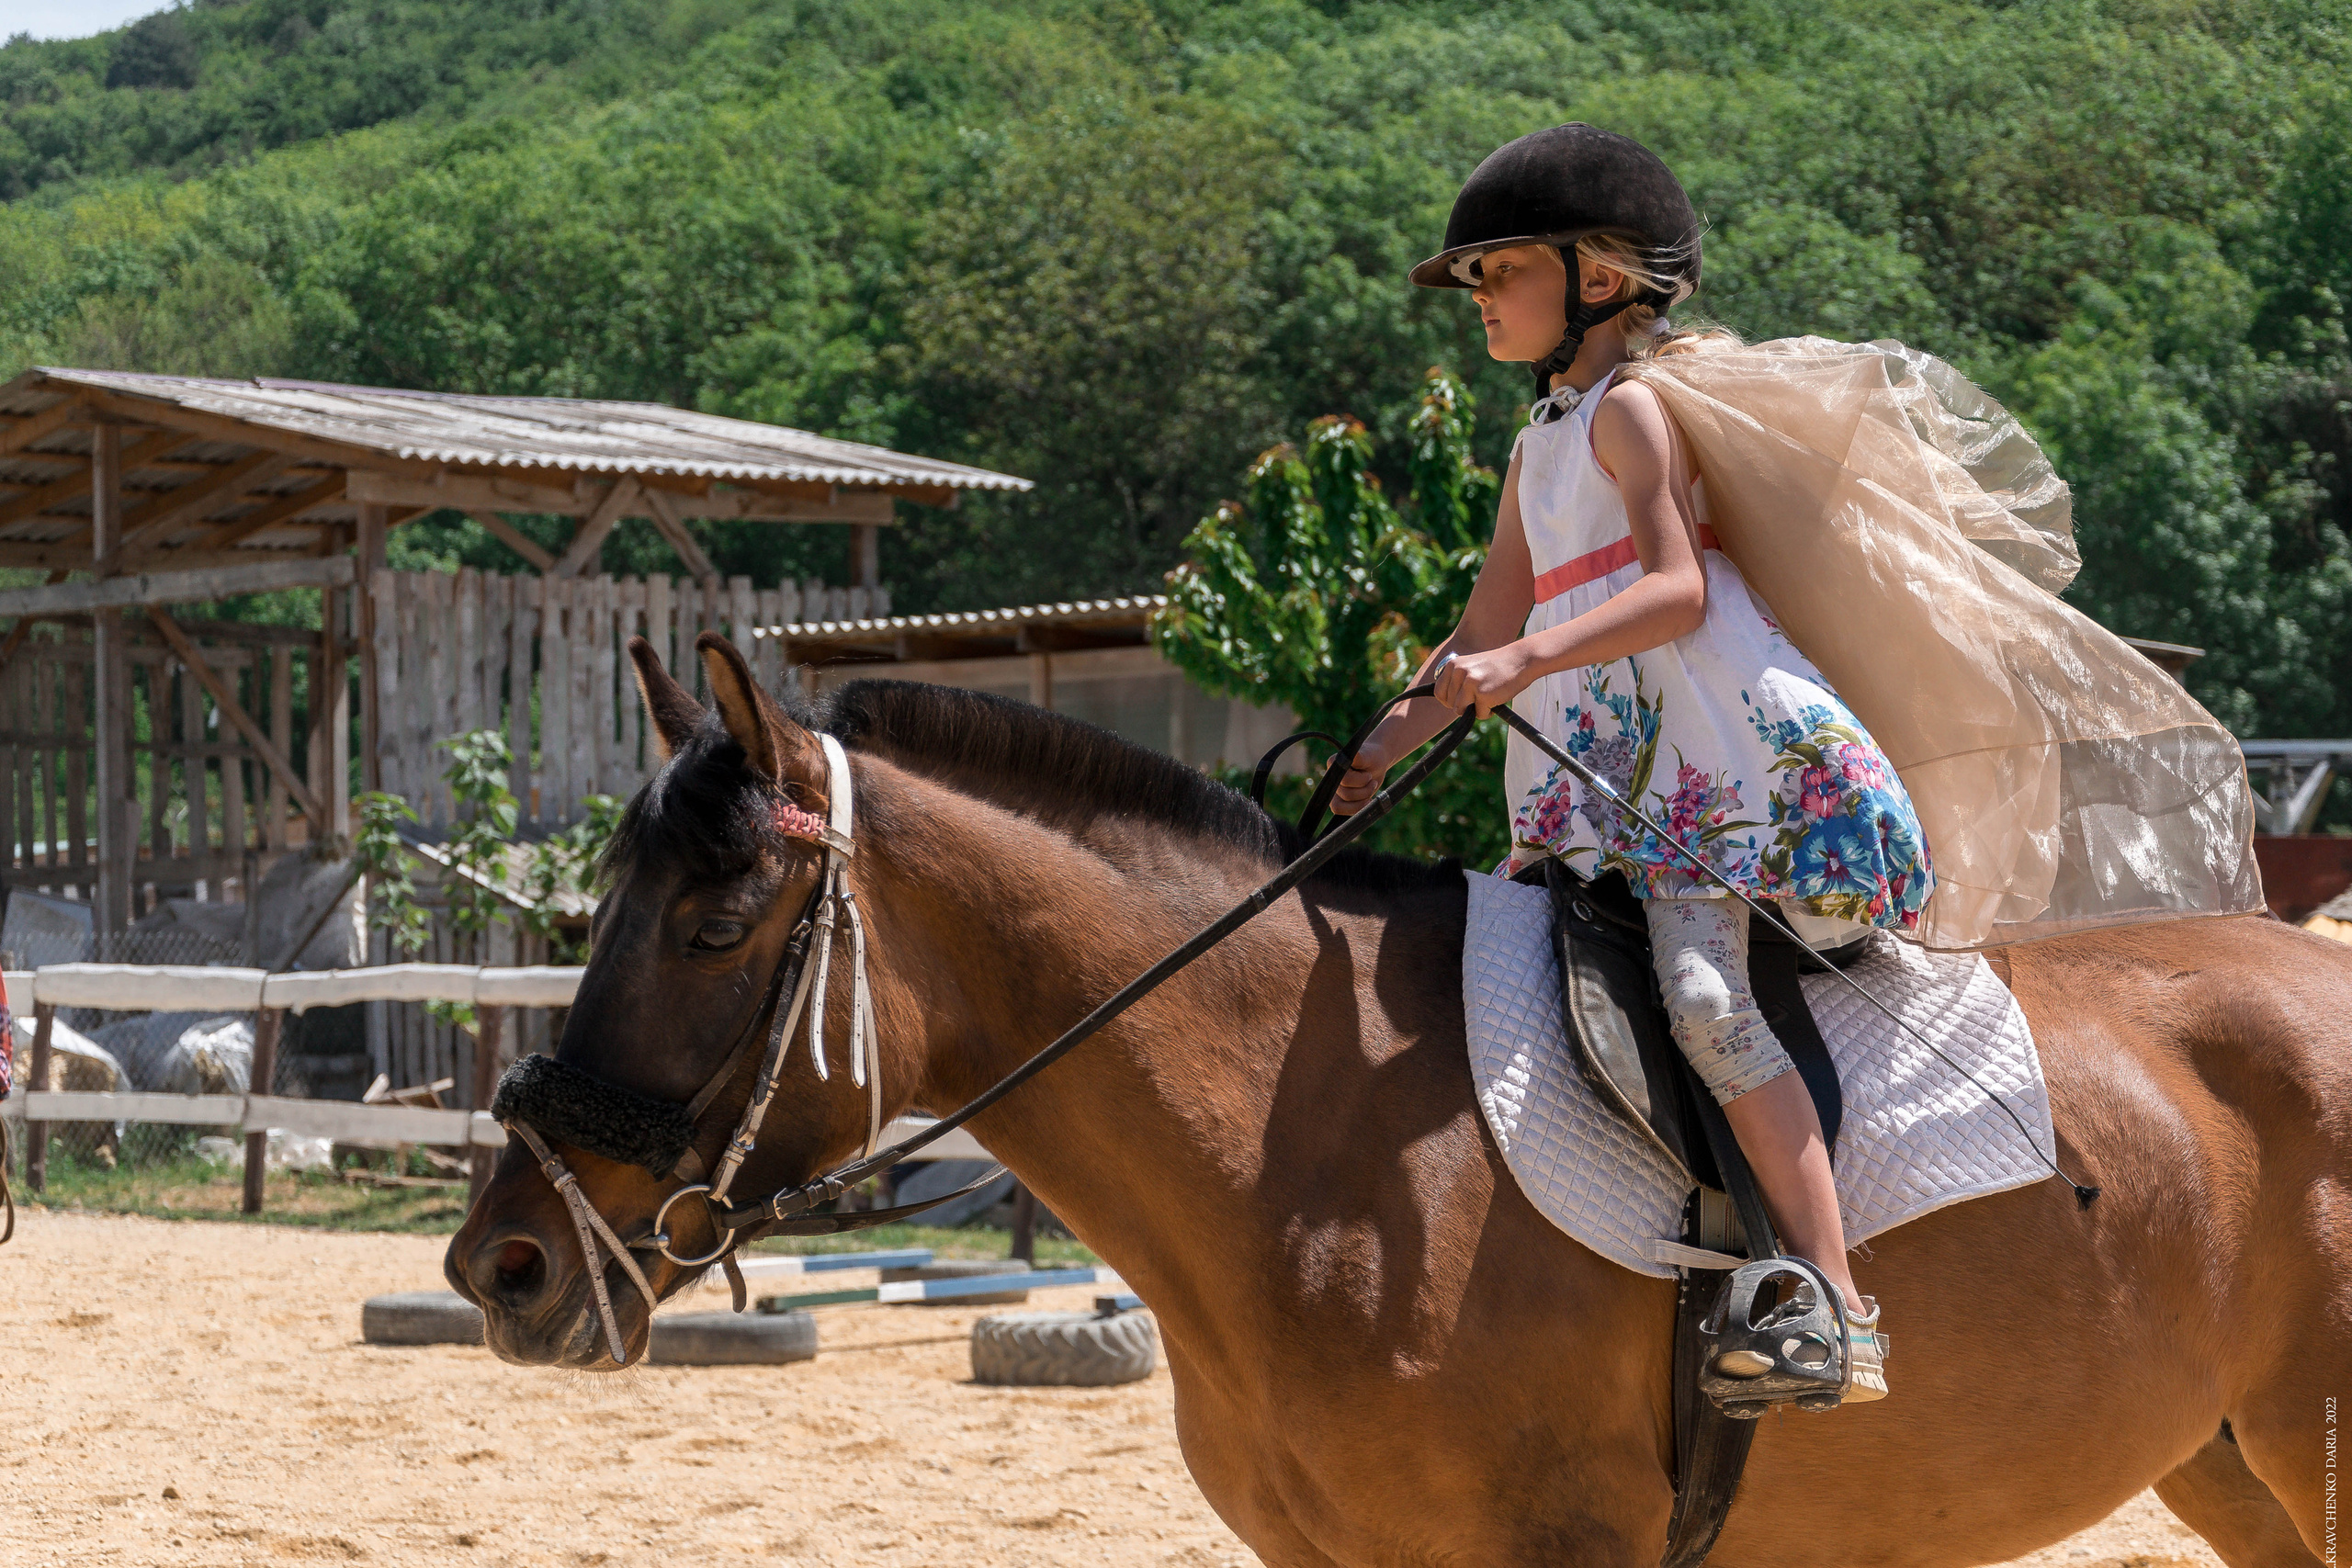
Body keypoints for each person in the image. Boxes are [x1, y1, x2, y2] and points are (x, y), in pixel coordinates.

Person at [1330, 125, 1914, 1404]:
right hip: (1603, 768)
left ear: (1597, 279)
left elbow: (1674, 591)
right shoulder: (1538, 443)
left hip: (1708, 757)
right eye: (1474, 279)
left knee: (1704, 999)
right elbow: (1481, 629)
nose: (1479, 296)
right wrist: (1382, 741)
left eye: (1500, 271)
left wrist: (1525, 660)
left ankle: (1835, 1308)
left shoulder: (1632, 410)